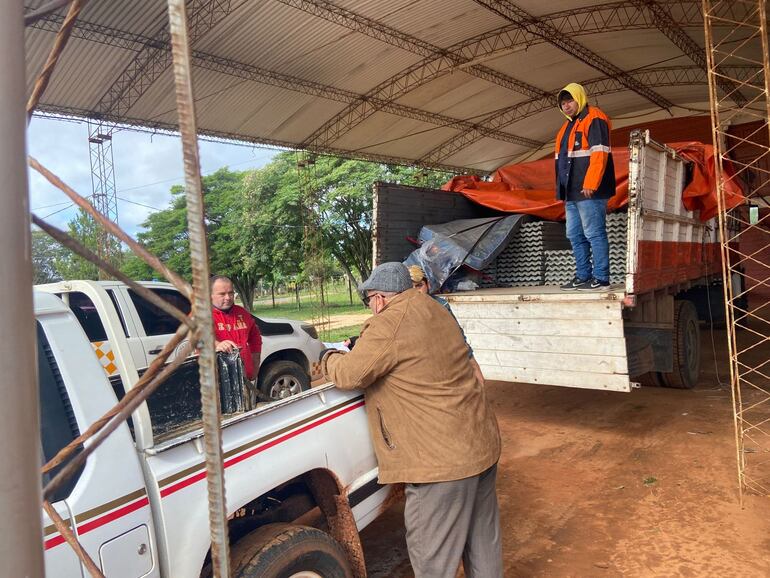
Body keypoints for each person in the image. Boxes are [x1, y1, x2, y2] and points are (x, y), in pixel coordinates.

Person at [321, 262, 503, 578]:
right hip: (480, 445)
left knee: (434, 561)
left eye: (370, 302)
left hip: (440, 463)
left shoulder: (390, 322)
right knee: (483, 545)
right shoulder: (436, 309)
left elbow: (351, 374)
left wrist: (328, 357)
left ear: (378, 298)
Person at [554, 82, 616, 291]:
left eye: (569, 100)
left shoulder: (595, 118)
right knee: (574, 234)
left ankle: (601, 278)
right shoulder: (566, 127)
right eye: (563, 103)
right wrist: (561, 189)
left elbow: (600, 153)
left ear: (579, 98)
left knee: (594, 233)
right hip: (571, 193)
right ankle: (582, 276)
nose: (566, 106)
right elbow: (561, 160)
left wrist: (591, 183)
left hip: (589, 190)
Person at [408, 264, 486, 388]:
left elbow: (458, 337)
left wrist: (474, 365)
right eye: (410, 288)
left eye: (419, 285)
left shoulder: (442, 305)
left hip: (445, 365)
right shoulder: (400, 313)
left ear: (427, 285)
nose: (416, 291)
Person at [210, 275, 262, 382]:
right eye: (222, 294)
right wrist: (217, 344)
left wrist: (255, 365)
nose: (228, 297)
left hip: (244, 380)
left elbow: (255, 338)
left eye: (230, 293)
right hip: (217, 384)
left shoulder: (242, 313)